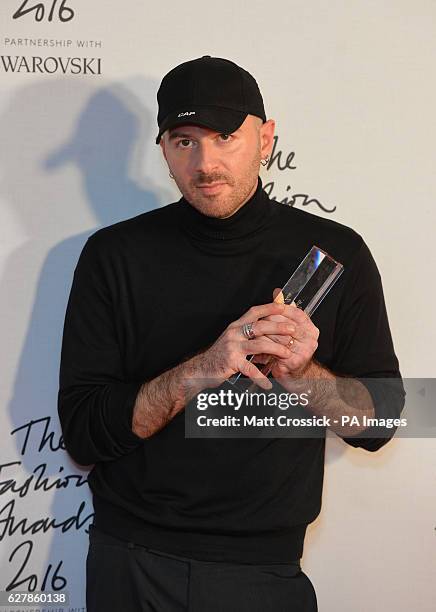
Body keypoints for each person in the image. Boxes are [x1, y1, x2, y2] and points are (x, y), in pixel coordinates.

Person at [57, 56, 405, 611]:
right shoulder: (114, 255)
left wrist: (302, 375)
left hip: (264, 574)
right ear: (164, 149)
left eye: (225, 136)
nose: (206, 162)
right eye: (184, 141)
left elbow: (382, 420)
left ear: (266, 137)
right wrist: (202, 369)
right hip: (133, 561)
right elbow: (83, 435)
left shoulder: (336, 254)